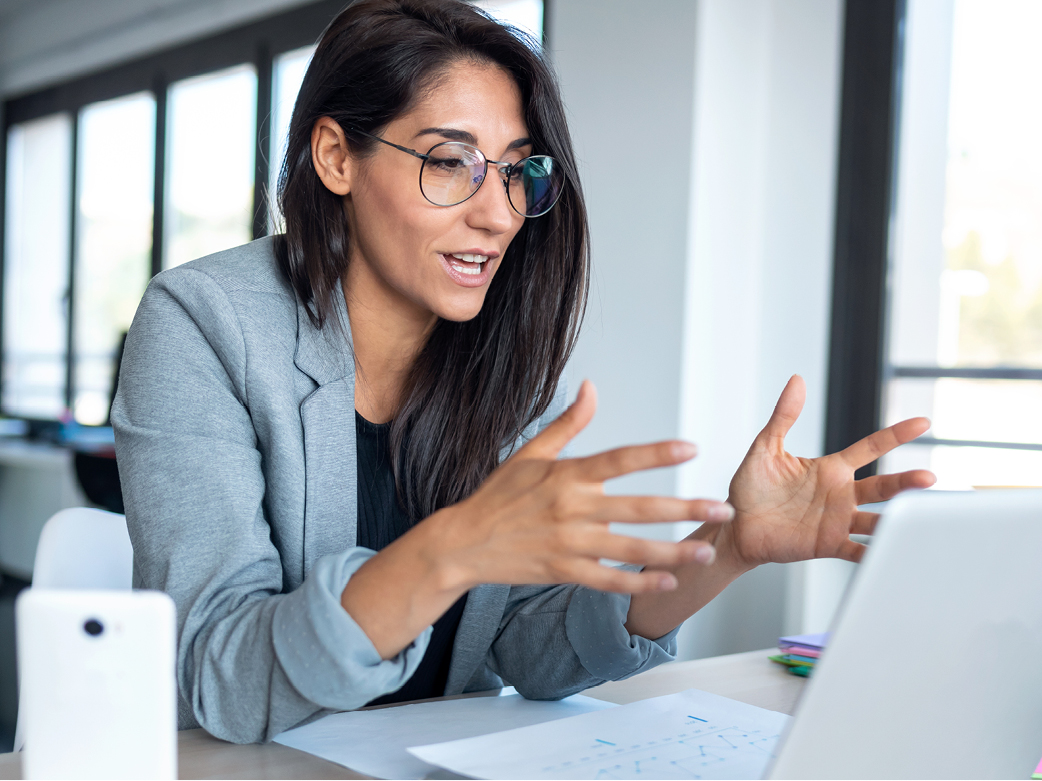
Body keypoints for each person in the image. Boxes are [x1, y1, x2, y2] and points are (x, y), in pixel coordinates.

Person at [112, 0, 935, 745]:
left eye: (516, 170)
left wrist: (726, 548)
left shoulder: (495, 351)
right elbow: (219, 667)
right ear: (336, 156)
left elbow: (525, 642)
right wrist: (451, 550)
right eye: (449, 161)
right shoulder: (203, 322)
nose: (500, 212)